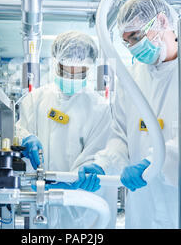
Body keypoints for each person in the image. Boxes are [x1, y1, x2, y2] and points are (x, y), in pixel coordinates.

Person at [78, 0, 180, 228]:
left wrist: (155, 163)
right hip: (142, 207)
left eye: (136, 36)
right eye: (127, 42)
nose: (134, 47)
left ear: (162, 22)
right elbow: (121, 135)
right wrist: (103, 163)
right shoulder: (132, 78)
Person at [15, 30, 118, 229]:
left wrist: (70, 182)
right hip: (40, 202)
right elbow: (18, 132)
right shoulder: (35, 100)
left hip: (84, 208)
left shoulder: (99, 108)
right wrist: (26, 139)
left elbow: (98, 154)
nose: (72, 76)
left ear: (89, 69)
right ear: (56, 63)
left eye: (79, 72)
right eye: (66, 69)